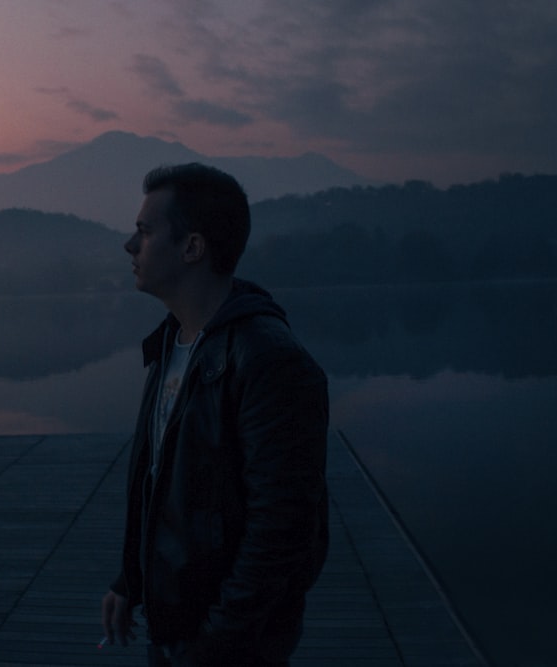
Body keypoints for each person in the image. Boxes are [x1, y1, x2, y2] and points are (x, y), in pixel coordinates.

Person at [101, 163, 330, 666]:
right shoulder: (174, 341)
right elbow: (162, 485)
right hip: (176, 628)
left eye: (144, 231)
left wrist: (217, 643)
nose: (130, 246)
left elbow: (282, 532)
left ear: (192, 248)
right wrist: (131, 581)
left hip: (229, 647)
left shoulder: (270, 361)